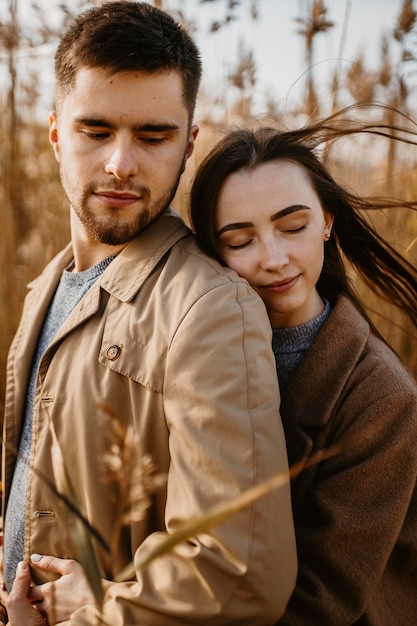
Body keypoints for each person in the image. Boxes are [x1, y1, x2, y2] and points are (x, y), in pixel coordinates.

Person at [0, 3, 298, 625]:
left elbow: (238, 573)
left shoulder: (211, 310)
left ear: (190, 144)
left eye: (154, 137)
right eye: (96, 131)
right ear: (55, 133)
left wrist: (90, 618)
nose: (121, 165)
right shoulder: (44, 289)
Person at [189, 118, 417, 625]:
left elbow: (320, 603)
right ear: (211, 251)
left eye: (293, 227)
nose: (273, 258)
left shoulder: (383, 399)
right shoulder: (195, 354)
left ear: (327, 221)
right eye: (239, 240)